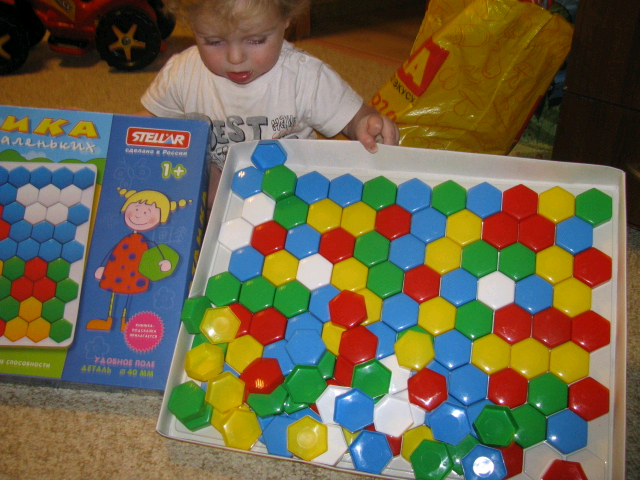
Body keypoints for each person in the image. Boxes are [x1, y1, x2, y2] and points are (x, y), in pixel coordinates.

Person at [139, 0, 399, 206]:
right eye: (214, 42)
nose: (235, 57)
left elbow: (354, 117)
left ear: (286, 18)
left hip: (292, 197)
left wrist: (366, 123)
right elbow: (145, 126)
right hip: (219, 201)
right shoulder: (182, 73)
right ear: (192, 25)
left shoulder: (306, 77)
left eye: (256, 40)